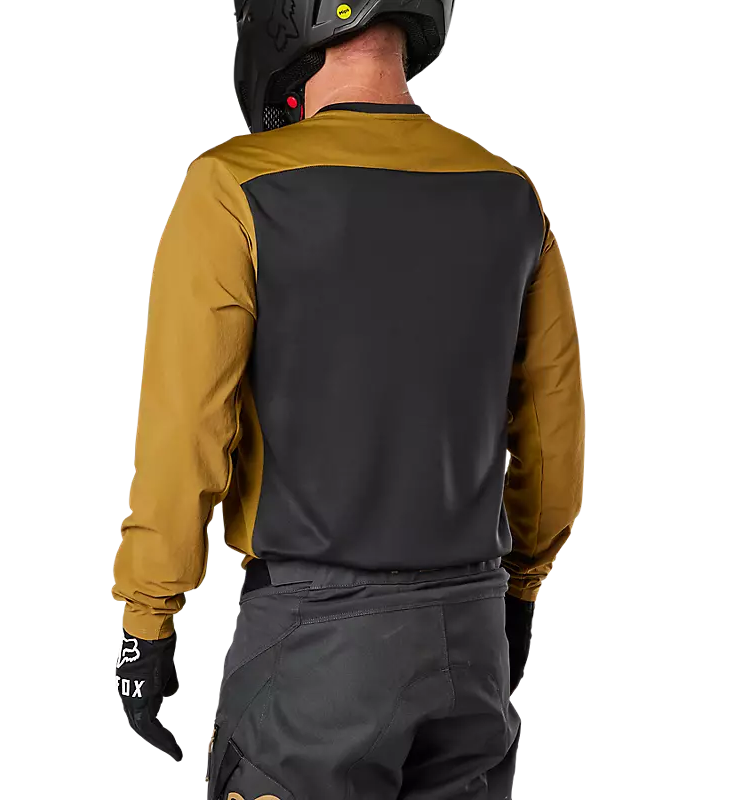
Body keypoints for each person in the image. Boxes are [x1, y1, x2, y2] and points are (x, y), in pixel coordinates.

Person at [112, 2, 585, 797]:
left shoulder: (234, 186)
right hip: (471, 644)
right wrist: (520, 592)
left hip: (316, 654)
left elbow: (184, 433)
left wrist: (146, 619)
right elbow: (551, 436)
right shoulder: (508, 195)